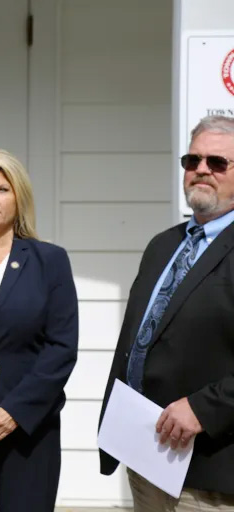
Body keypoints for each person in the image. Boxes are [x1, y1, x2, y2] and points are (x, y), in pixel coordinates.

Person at [99, 115, 234, 510]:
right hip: (147, 459)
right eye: (192, 160)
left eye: (217, 162)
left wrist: (203, 409)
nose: (201, 170)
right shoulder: (163, 245)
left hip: (212, 469)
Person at [0, 149, 78, 511]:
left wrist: (12, 413)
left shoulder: (49, 261)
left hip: (28, 430)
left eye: (1, 189)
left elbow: (61, 348)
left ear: (18, 197)